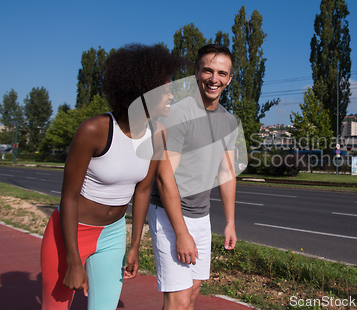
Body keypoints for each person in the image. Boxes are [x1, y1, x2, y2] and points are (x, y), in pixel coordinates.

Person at [40, 43, 184, 310]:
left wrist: (134, 245)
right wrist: (73, 260)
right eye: (166, 92)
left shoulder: (158, 134)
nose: (171, 97)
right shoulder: (94, 130)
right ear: (144, 93)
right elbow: (69, 197)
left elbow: (141, 192)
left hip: (113, 234)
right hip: (70, 233)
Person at [148, 44, 240, 310]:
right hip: (170, 216)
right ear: (196, 72)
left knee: (192, 294)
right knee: (177, 300)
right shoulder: (178, 113)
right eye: (208, 71)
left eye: (222, 73)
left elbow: (227, 174)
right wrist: (181, 232)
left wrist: (230, 222)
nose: (214, 79)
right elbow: (165, 177)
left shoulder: (229, 122)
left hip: (202, 216)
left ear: (230, 79)